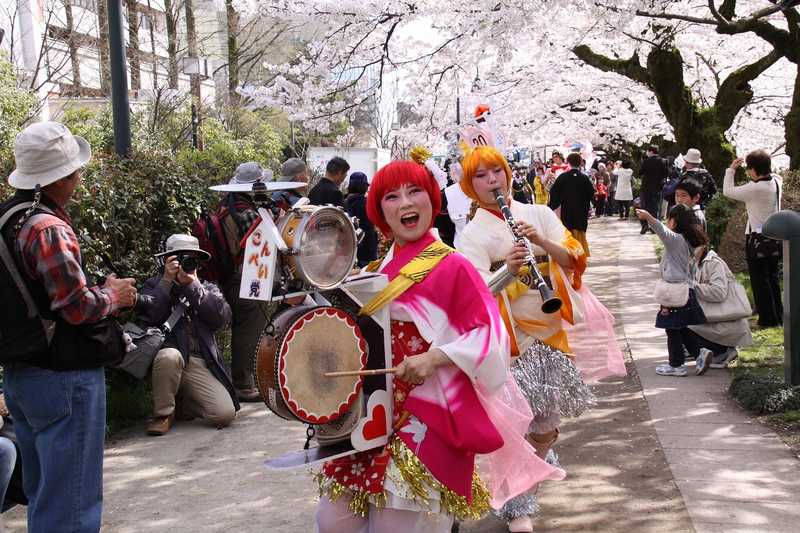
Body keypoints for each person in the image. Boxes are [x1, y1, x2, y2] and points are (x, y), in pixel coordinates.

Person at [315, 160, 563, 533]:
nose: (405, 203)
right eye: (392, 196)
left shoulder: (453, 266)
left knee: (397, 525)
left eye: (414, 192)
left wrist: (437, 357)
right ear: (380, 211)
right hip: (372, 416)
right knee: (333, 521)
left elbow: (490, 336)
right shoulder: (379, 267)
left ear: (431, 201)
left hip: (427, 417)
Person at [1, 122, 137, 532]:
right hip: (65, 378)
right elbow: (75, 306)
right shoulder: (47, 228)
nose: (79, 178)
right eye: (75, 171)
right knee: (73, 504)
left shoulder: (7, 219)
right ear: (57, 179)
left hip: (21, 376)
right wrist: (115, 295)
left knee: (46, 495)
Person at [457, 146, 596, 533]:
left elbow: (574, 257)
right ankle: (520, 507)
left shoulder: (536, 214)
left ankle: (536, 465)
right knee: (512, 425)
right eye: (481, 176)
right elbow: (473, 291)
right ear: (470, 185)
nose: (491, 181)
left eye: (496, 172)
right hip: (510, 342)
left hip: (551, 334)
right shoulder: (472, 234)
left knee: (545, 423)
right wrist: (509, 270)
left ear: (507, 173)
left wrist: (543, 242)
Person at [140, 234, 239, 436]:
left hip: (198, 361)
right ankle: (163, 414)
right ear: (167, 260)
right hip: (167, 359)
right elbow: (149, 316)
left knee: (224, 414)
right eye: (180, 258)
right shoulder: (153, 286)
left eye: (192, 259)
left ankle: (184, 404)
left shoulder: (206, 287)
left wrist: (192, 286)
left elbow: (221, 318)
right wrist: (167, 282)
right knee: (170, 356)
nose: (187, 263)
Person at [220, 162, 276, 402]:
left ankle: (246, 379)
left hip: (230, 276)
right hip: (245, 278)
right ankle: (244, 383)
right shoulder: (247, 212)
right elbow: (263, 245)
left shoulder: (227, 205)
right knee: (248, 331)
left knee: (244, 329)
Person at [636, 205, 710, 377]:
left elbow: (660, 230)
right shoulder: (690, 241)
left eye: (669, 219)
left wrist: (648, 217)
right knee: (680, 327)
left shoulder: (676, 240)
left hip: (674, 292)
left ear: (674, 221)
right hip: (685, 290)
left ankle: (676, 365)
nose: (667, 222)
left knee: (671, 328)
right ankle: (700, 353)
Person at [724, 150, 783, 327]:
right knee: (771, 277)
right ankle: (777, 315)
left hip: (758, 238)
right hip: (775, 236)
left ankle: (767, 319)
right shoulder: (776, 182)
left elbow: (728, 191)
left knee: (759, 280)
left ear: (755, 170)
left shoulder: (756, 188)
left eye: (749, 169)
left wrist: (731, 170)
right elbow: (773, 174)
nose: (748, 173)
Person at [688, 245, 753, 368]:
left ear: (702, 245)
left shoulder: (714, 263)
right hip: (715, 317)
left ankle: (721, 352)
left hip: (725, 319)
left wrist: (692, 285)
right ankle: (707, 351)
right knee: (676, 317)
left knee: (683, 322)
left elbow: (719, 293)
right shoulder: (694, 263)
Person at [547, 152, 595, 256]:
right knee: (580, 229)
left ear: (568, 162)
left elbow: (554, 192)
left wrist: (553, 205)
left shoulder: (563, 177)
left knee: (568, 229)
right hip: (581, 209)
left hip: (567, 209)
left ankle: (570, 251)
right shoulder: (584, 178)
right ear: (581, 163)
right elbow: (591, 193)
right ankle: (581, 253)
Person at [344, 171, 378, 267]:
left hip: (350, 246)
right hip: (367, 247)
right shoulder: (366, 203)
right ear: (363, 187)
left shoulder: (345, 201)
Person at [638, 145, 668, 234]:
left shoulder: (646, 161)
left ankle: (644, 226)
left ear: (651, 152)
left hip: (646, 187)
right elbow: (666, 174)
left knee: (644, 207)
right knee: (655, 208)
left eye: (647, 151)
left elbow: (640, 172)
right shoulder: (663, 161)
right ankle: (654, 227)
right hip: (657, 188)